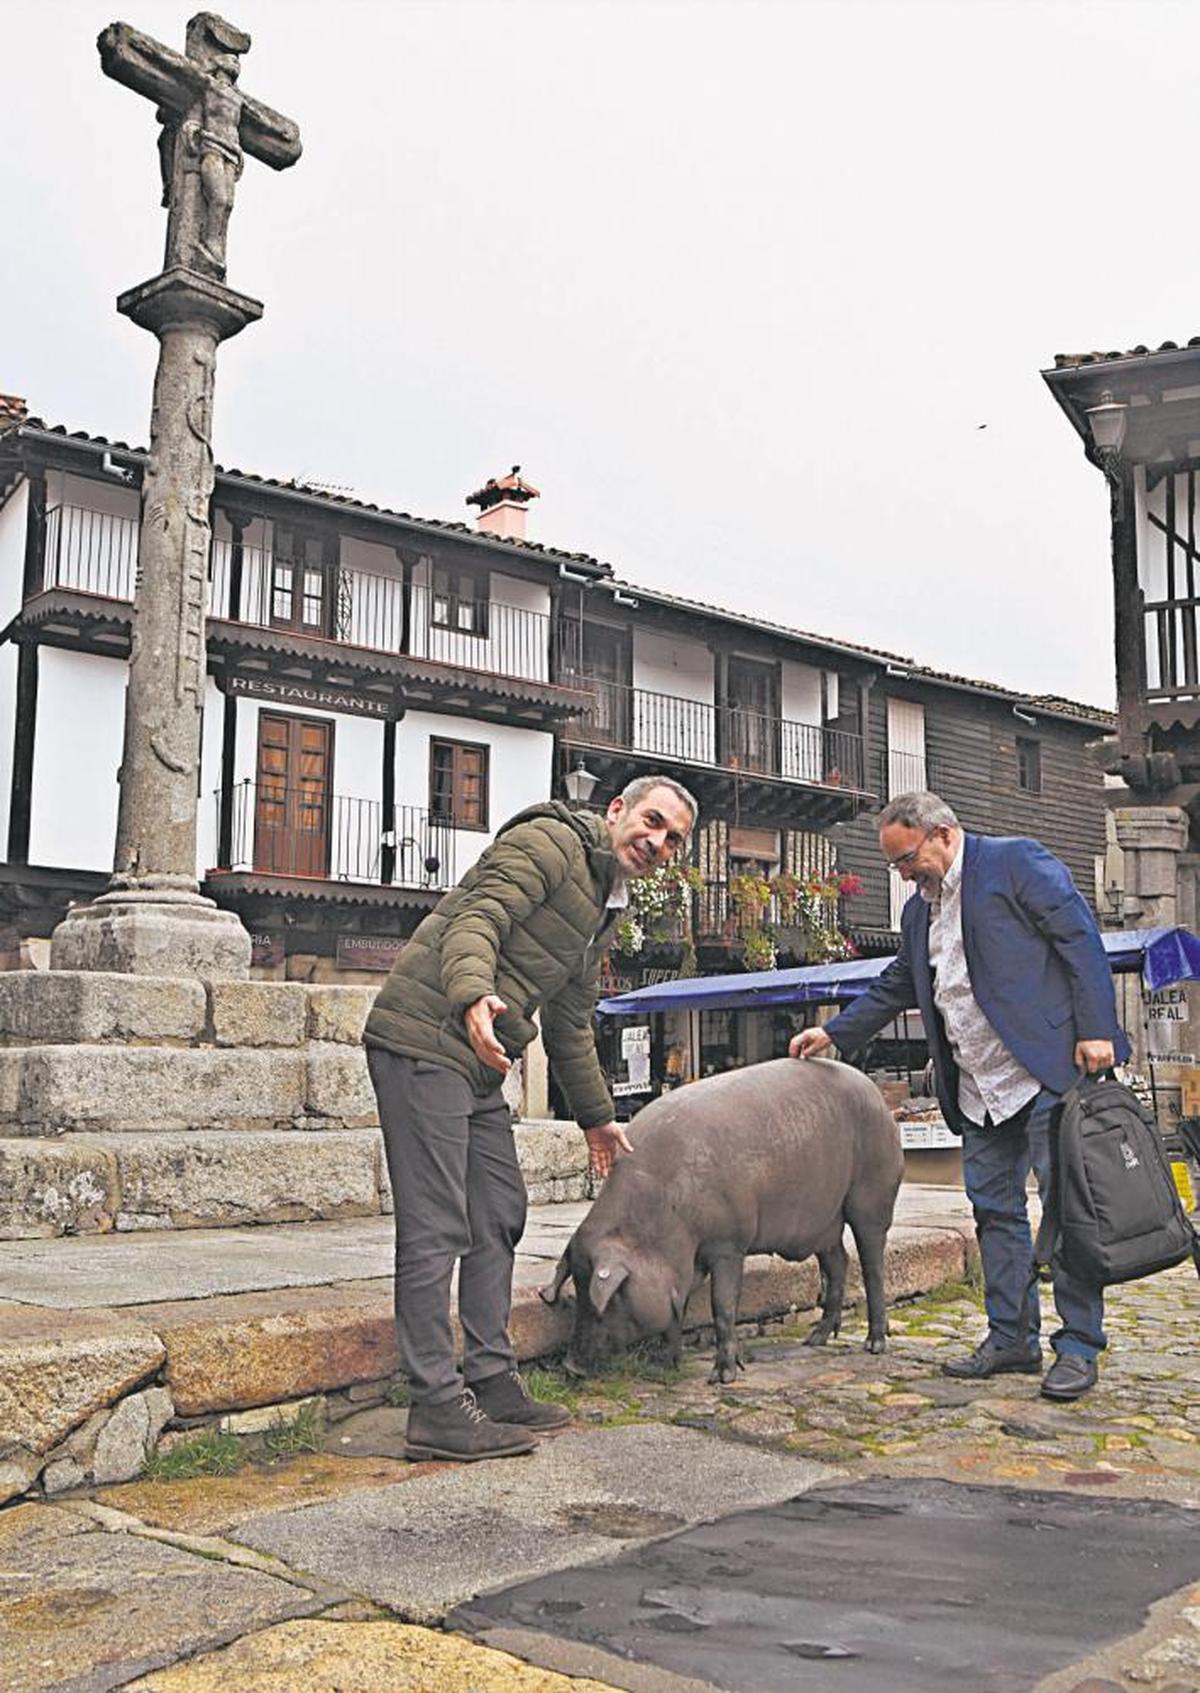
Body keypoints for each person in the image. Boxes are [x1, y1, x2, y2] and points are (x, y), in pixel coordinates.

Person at [364, 774, 698, 1461]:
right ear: (617, 810)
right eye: (653, 822)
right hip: (425, 1035)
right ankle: (435, 1405)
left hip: (480, 1059)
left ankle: (489, 1376)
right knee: (437, 1223)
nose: (658, 842)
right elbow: (476, 917)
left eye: (673, 840)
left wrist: (598, 1117)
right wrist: (473, 993)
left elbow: (572, 1019)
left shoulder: (604, 903)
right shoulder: (549, 842)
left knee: (499, 1209)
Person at [789, 791, 1128, 1402]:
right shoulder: (919, 914)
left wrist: (1097, 1029)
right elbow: (899, 980)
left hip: (1045, 1069)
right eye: (895, 865)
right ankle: (1011, 1337)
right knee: (993, 1211)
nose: (903, 874)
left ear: (944, 834)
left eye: (907, 858)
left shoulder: (1015, 863)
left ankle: (1078, 1345)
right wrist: (835, 1032)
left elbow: (1081, 941)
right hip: (977, 1086)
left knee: (1066, 1208)